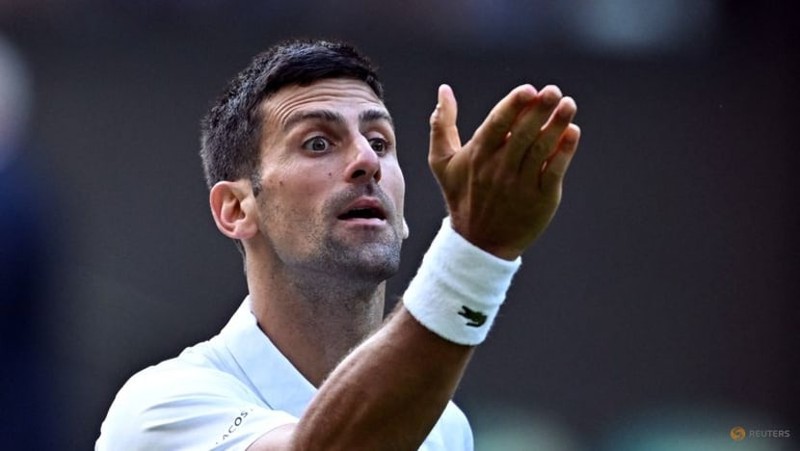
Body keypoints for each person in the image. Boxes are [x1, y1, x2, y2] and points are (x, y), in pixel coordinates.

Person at [96, 39, 580, 450]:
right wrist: (474, 252)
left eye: (380, 141)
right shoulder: (159, 407)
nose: (367, 161)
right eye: (318, 143)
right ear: (237, 209)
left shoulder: (446, 431)